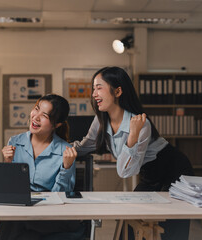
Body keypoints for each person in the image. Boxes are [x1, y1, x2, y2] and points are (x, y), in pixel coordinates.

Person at [73, 66, 194, 240]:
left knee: (171, 228)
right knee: (130, 220)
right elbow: (84, 146)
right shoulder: (100, 119)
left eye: (99, 88)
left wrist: (133, 136)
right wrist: (56, 148)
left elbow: (125, 172)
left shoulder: (140, 124)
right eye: (94, 89)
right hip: (150, 174)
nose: (94, 94)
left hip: (174, 170)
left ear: (118, 91)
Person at [0, 94, 85, 240]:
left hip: (50, 212)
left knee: (14, 227)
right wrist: (8, 163)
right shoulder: (15, 142)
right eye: (36, 109)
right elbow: (10, 190)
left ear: (57, 124)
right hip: (23, 210)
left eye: (45, 115)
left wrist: (66, 168)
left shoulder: (65, 150)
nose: (35, 117)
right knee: (16, 223)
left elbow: (61, 196)